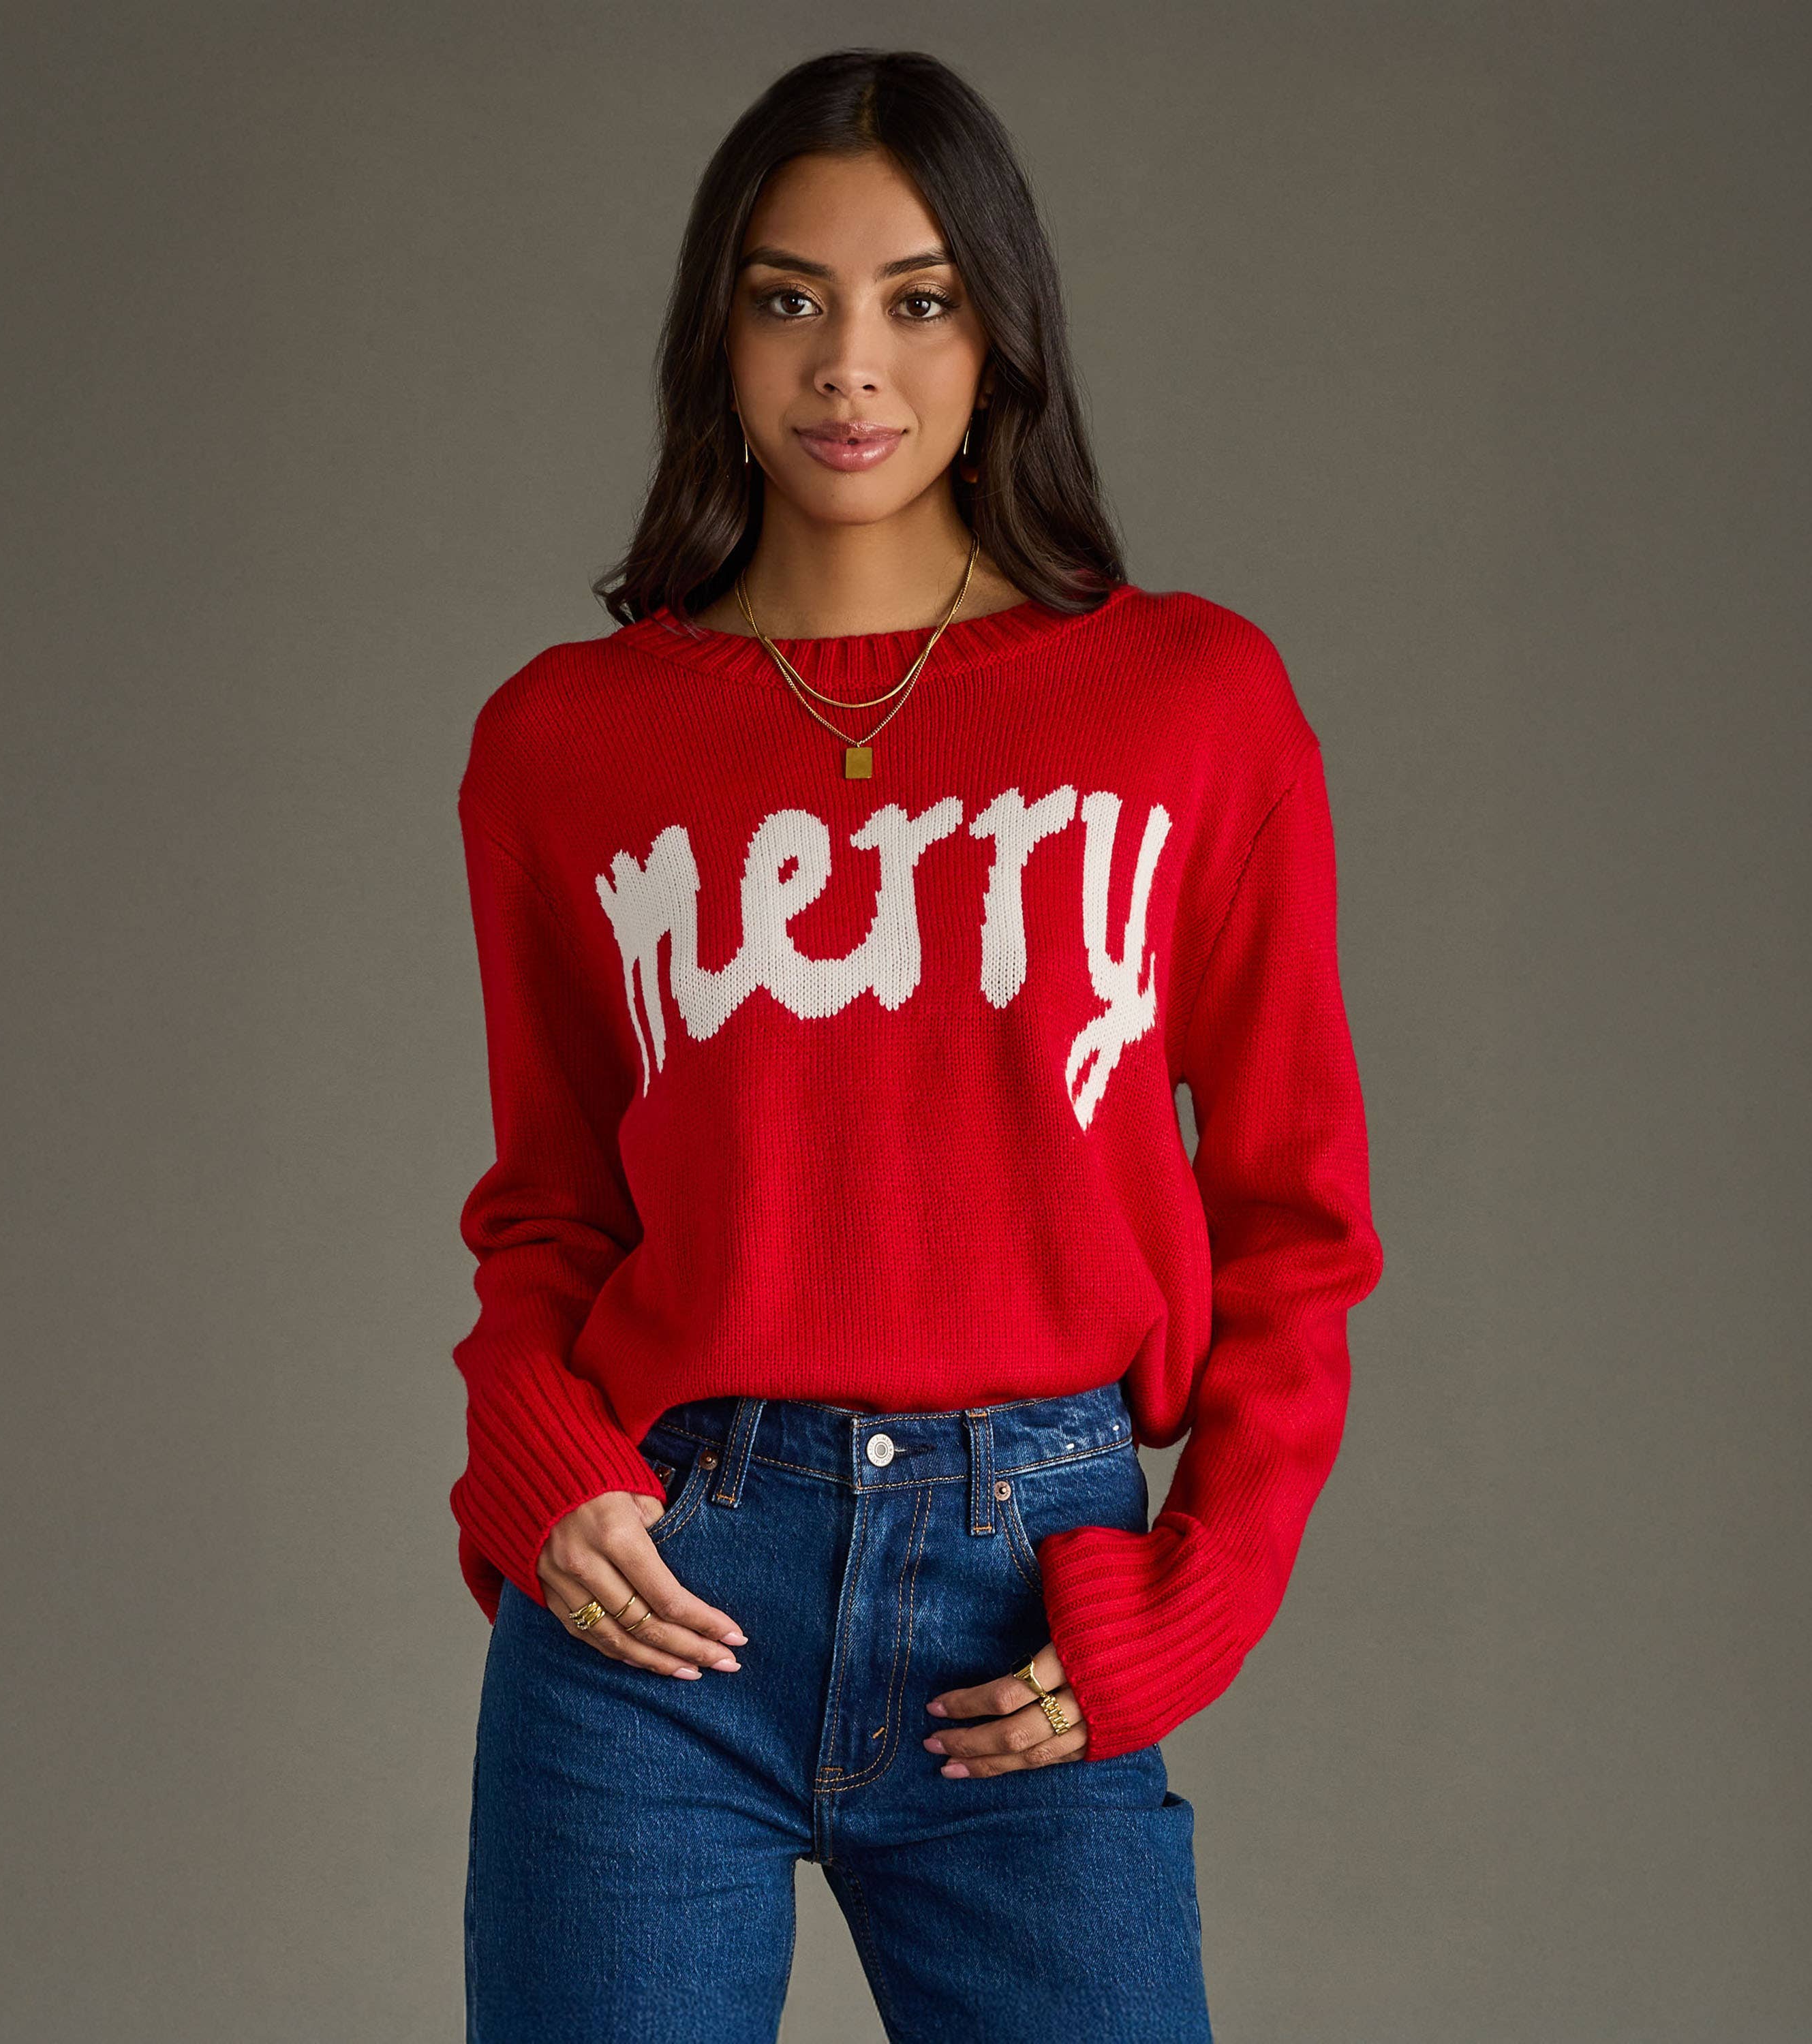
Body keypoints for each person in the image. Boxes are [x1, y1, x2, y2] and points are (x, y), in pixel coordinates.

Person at [451, 46, 1384, 2044]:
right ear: (717, 337)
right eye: (789, 298)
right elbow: (549, 1210)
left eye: (919, 299)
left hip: (1025, 1597)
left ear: (1000, 337)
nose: (849, 366)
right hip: (662, 1593)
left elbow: (1297, 1223)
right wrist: (541, 1466)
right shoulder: (567, 743)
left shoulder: (1191, 704)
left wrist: (1202, 1588)